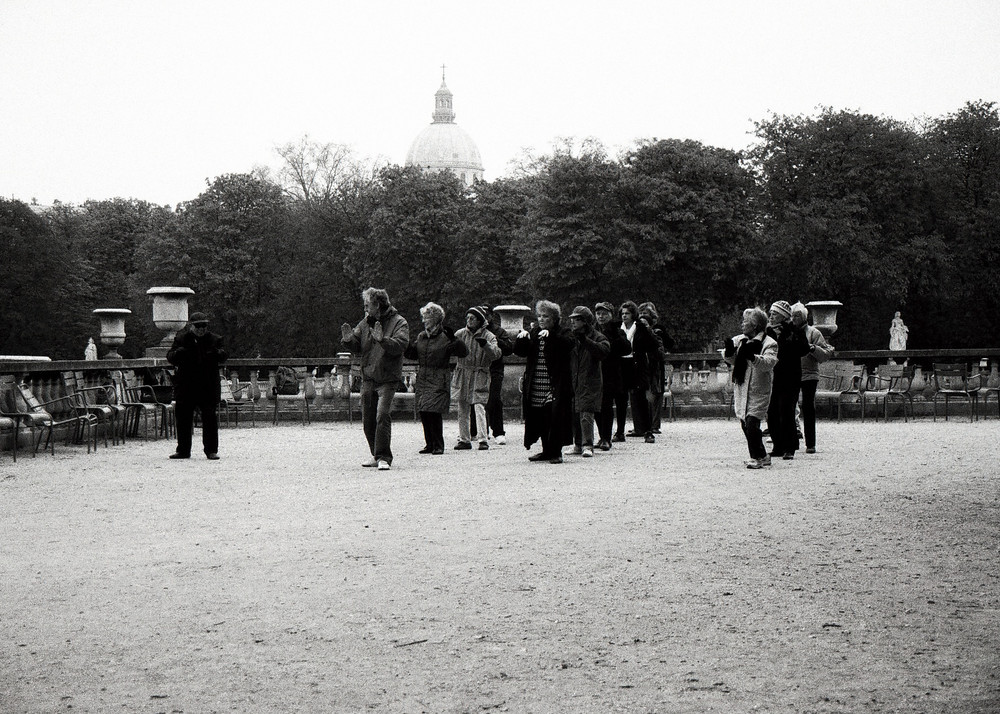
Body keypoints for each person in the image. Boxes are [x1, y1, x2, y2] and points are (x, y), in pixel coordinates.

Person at [341, 287, 409, 471]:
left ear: (377, 305)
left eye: (367, 305)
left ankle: (384, 457)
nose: (364, 309)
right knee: (368, 419)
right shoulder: (365, 323)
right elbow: (357, 343)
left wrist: (383, 340)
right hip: (369, 378)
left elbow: (401, 345)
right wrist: (348, 340)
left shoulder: (399, 322)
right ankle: (376, 453)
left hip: (387, 378)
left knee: (382, 415)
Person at [514, 300, 575, 464]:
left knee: (554, 416)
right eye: (539, 316)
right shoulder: (534, 332)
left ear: (554, 318)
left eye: (545, 316)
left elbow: (569, 344)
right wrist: (522, 339)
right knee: (539, 417)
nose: (541, 319)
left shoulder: (564, 332)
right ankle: (546, 450)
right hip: (536, 382)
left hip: (555, 383)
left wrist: (552, 336)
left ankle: (556, 451)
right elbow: (521, 353)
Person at [404, 302, 467, 455]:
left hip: (439, 377)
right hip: (423, 378)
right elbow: (413, 355)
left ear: (435, 319)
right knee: (424, 411)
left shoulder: (446, 336)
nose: (423, 321)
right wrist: (405, 345)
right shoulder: (421, 336)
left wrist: (454, 340)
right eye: (423, 318)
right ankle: (430, 444)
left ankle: (438, 444)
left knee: (434, 411)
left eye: (426, 318)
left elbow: (463, 352)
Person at [166, 311, 228, 460]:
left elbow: (224, 356)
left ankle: (211, 450)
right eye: (198, 326)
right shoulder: (181, 339)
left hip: (207, 386)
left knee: (210, 420)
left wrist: (217, 353)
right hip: (187, 386)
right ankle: (183, 450)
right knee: (183, 420)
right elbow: (170, 357)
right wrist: (178, 353)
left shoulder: (215, 339)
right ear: (191, 326)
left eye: (204, 326)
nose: (201, 329)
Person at [724, 307, 778, 469]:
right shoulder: (740, 340)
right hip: (742, 388)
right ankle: (761, 455)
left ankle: (757, 457)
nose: (742, 324)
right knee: (745, 424)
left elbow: (768, 363)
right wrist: (728, 352)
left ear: (755, 326)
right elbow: (733, 360)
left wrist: (753, 357)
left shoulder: (770, 343)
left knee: (752, 423)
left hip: (758, 389)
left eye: (745, 322)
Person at [452, 305, 502, 451]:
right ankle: (464, 439)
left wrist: (486, 345)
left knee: (479, 406)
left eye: (472, 318)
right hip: (463, 372)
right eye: (467, 318)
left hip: (480, 372)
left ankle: (482, 439)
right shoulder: (461, 334)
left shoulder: (488, 336)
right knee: (462, 406)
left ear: (479, 320)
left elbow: (496, 354)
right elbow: (451, 347)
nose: (469, 320)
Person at [766, 300, 810, 460]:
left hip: (791, 375)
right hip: (775, 375)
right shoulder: (769, 331)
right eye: (770, 313)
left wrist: (789, 341)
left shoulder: (793, 330)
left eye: (774, 314)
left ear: (782, 316)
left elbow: (804, 349)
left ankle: (789, 447)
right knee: (772, 411)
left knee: (787, 410)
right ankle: (778, 445)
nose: (771, 316)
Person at [792, 302, 834, 455]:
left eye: (796, 315)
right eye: (792, 315)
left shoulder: (814, 333)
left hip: (809, 374)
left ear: (804, 317)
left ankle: (811, 444)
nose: (793, 318)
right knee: (790, 407)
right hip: (792, 373)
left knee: (808, 407)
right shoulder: (789, 332)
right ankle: (792, 442)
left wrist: (812, 348)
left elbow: (825, 354)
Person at [567, 306, 610, 457]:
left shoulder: (597, 336)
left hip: (590, 380)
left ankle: (587, 445)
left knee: (586, 413)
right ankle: (577, 444)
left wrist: (585, 341)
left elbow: (604, 351)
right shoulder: (570, 337)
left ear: (585, 321)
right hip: (573, 379)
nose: (572, 322)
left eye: (576, 320)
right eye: (572, 319)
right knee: (574, 413)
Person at [470, 307, 514, 445]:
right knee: (475, 400)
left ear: (490, 317)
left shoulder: (499, 331)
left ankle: (498, 432)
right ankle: (475, 431)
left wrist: (493, 340)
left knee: (494, 399)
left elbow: (508, 349)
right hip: (478, 369)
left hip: (495, 370)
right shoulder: (472, 330)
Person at [621, 301, 663, 443]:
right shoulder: (619, 328)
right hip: (623, 366)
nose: (624, 316)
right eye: (622, 313)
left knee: (642, 399)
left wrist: (646, 332)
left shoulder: (640, 328)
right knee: (622, 399)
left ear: (633, 314)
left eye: (627, 313)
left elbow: (653, 345)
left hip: (638, 366)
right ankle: (621, 431)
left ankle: (648, 431)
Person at [594, 302, 631, 451]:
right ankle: (603, 435)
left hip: (611, 373)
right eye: (598, 313)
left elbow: (626, 348)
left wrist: (615, 334)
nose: (601, 316)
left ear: (610, 315)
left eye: (604, 313)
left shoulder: (617, 331)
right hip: (595, 372)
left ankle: (605, 437)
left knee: (606, 405)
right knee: (596, 407)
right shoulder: (591, 330)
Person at [638, 301, 671, 434]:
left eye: (645, 313)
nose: (642, 316)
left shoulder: (658, 330)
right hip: (643, 366)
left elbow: (665, 347)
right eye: (640, 313)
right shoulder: (637, 329)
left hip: (655, 366)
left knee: (656, 393)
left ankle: (654, 424)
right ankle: (643, 424)